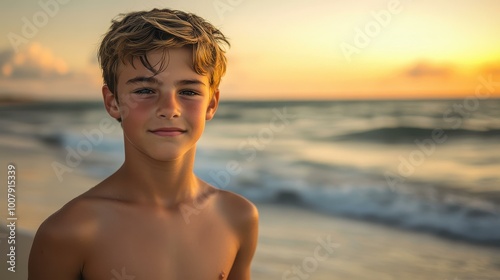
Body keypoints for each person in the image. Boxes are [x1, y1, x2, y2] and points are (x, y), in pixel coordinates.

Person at [28, 8, 259, 280]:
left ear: (211, 103)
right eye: (145, 90)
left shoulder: (237, 218)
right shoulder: (70, 232)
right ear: (113, 102)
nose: (169, 108)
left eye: (188, 91)